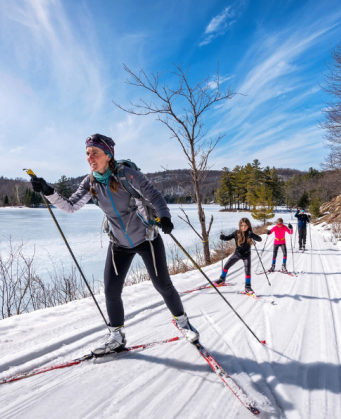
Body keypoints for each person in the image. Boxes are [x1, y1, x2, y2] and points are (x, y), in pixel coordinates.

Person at [28, 134, 199, 355]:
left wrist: (165, 217)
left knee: (162, 285)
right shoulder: (90, 182)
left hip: (147, 238)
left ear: (108, 155)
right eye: (88, 153)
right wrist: (48, 191)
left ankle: (183, 323)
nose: (90, 158)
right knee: (111, 290)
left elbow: (155, 196)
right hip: (119, 243)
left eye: (95, 153)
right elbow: (70, 206)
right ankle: (117, 337)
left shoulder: (128, 175)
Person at [215, 218, 263, 293]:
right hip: (237, 254)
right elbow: (228, 238)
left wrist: (253, 235)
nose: (243, 227)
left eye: (245, 226)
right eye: (242, 225)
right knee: (226, 266)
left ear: (248, 226)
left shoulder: (250, 234)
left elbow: (260, 239)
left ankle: (248, 286)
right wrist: (223, 237)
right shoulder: (236, 233)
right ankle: (222, 279)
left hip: (246, 255)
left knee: (247, 271)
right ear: (240, 226)